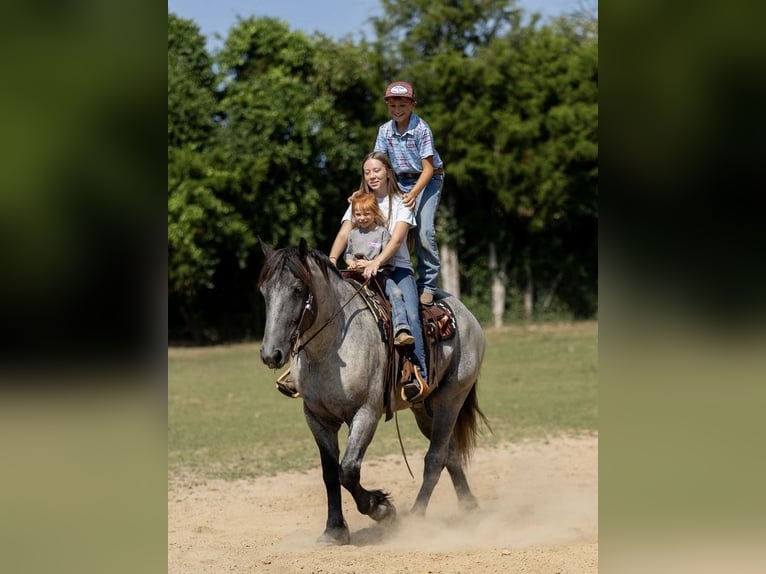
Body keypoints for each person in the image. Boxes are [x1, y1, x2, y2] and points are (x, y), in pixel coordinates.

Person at [330, 152, 428, 400]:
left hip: (396, 269)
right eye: (367, 172)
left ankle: (418, 375)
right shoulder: (360, 203)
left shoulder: (403, 201)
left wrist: (376, 262)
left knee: (411, 313)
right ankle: (306, 372)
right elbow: (344, 235)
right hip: (358, 269)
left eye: (376, 170)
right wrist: (332, 260)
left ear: (387, 172)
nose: (371, 176)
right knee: (323, 304)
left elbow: (396, 241)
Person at [373, 81, 445, 306]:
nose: (397, 110)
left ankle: (428, 284)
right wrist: (364, 193)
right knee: (388, 227)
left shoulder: (421, 129)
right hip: (398, 180)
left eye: (402, 105)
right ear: (387, 106)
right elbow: (378, 165)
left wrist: (413, 194)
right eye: (392, 105)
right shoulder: (384, 131)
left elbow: (428, 168)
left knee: (424, 231)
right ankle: (388, 275)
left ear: (412, 104)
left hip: (428, 179)